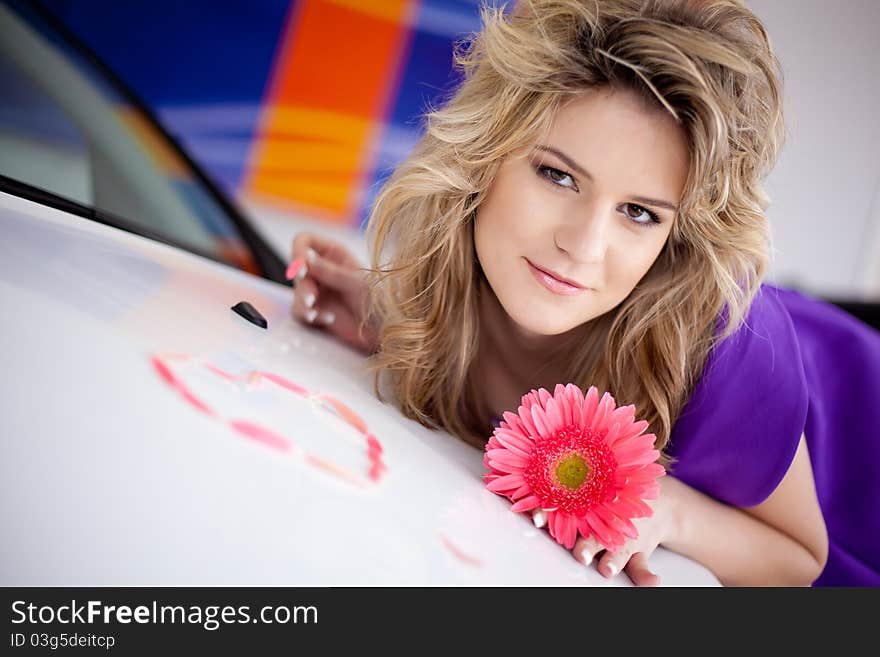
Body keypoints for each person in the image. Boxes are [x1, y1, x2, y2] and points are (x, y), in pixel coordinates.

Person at [286, 0, 880, 586]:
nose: (584, 245)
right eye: (558, 175)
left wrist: (670, 509)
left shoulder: (731, 347)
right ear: (484, 155)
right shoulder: (451, 270)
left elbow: (799, 560)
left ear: (677, 236)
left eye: (640, 213)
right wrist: (387, 314)